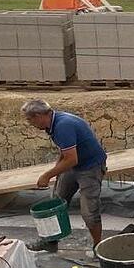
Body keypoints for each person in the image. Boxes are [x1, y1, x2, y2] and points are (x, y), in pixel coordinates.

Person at [21, 99, 107, 245]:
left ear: (38, 115)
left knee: (89, 212)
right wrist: (58, 169)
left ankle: (98, 245)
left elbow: (72, 159)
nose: (31, 124)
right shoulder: (53, 123)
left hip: (90, 168)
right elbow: (65, 151)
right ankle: (51, 241)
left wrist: (47, 175)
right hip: (75, 165)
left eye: (30, 120)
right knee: (56, 202)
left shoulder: (63, 125)